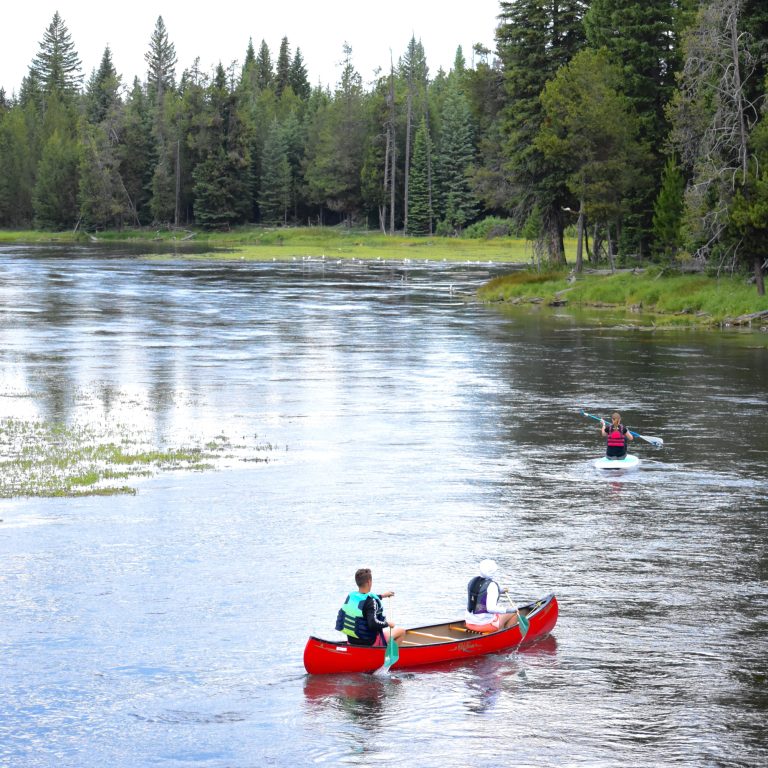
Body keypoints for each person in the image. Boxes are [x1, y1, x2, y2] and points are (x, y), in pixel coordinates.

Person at [336, 568, 405, 647]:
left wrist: (382, 596)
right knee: (401, 632)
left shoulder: (351, 597)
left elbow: (365, 602)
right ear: (369, 582)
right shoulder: (371, 602)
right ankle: (386, 656)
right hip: (369, 642)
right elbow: (373, 624)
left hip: (352, 641)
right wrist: (388, 624)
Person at [464, 559, 521, 633]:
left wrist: (499, 590)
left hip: (469, 621)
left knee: (499, 608)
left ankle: (501, 629)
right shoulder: (492, 585)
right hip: (484, 623)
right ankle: (506, 635)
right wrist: (509, 610)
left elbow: (480, 594)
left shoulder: (473, 581)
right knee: (514, 612)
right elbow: (491, 608)